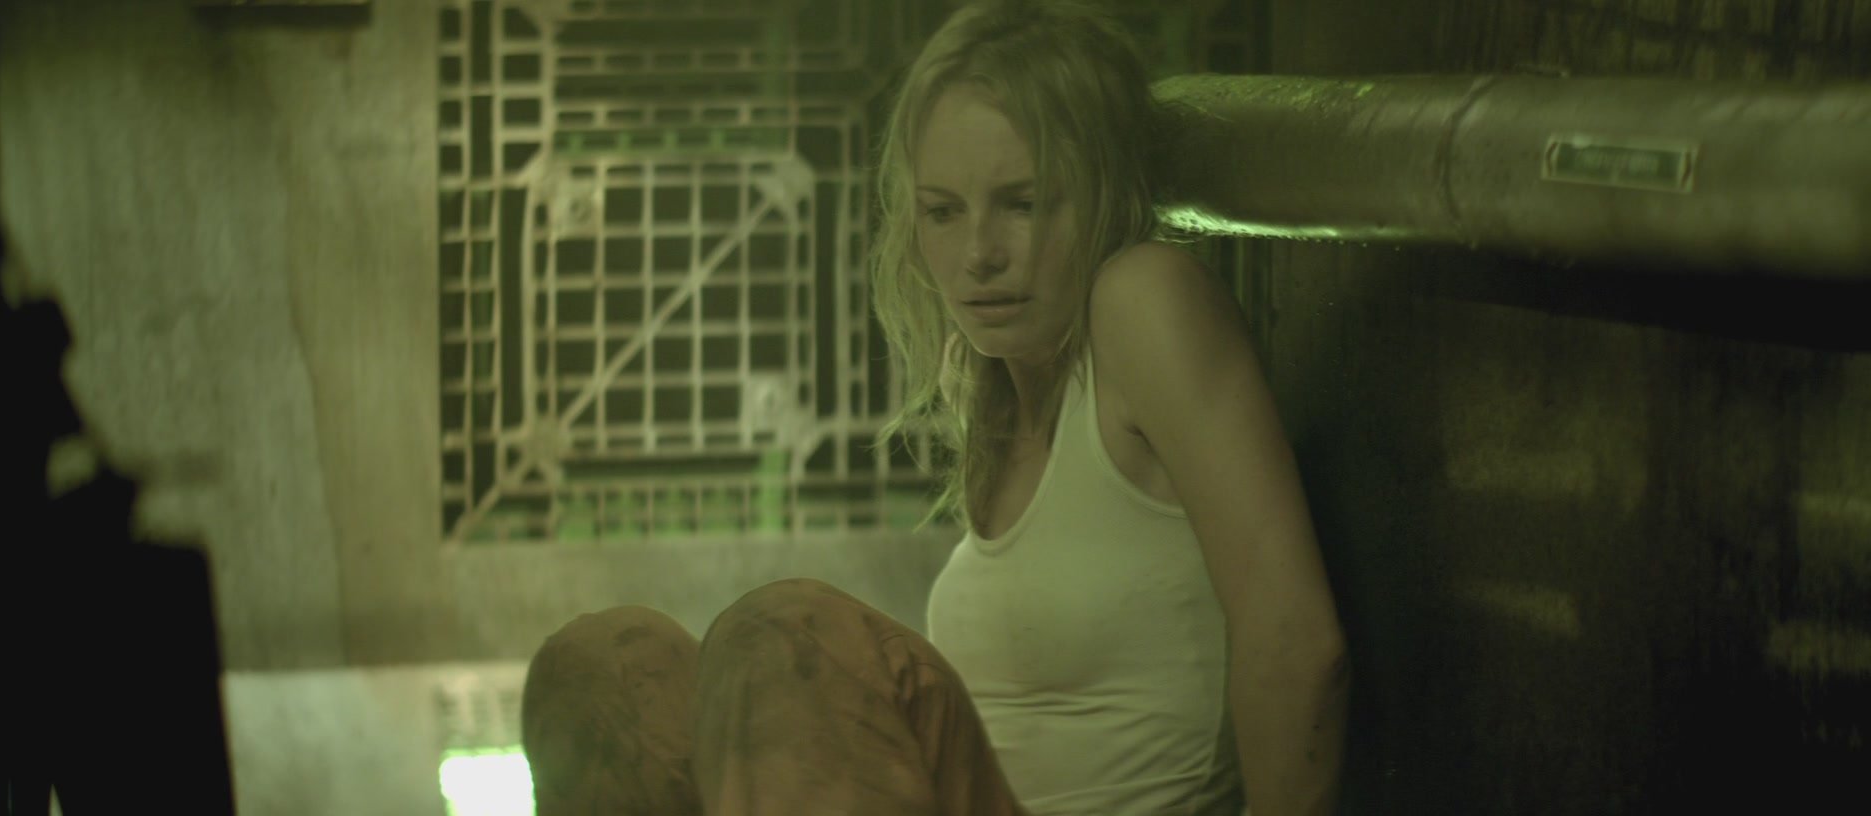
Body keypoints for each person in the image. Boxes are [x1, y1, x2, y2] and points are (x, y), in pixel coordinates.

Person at [520, 1, 1350, 814]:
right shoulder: (992, 403)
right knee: (593, 670)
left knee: (781, 634)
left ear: (1100, 191)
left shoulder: (1142, 300)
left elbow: (1299, 640)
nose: (979, 254)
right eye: (944, 212)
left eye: (1022, 203)